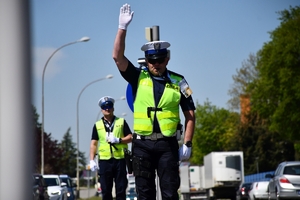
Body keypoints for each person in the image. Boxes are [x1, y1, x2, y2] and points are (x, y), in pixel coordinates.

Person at [112, 4, 196, 200]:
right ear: (146, 61)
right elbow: (117, 57)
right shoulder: (137, 77)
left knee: (169, 193)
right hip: (142, 145)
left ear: (167, 58)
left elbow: (190, 114)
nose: (155, 65)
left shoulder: (179, 81)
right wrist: (122, 28)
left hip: (168, 145)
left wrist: (188, 143)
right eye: (151, 61)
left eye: (159, 60)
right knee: (145, 194)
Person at [89, 96, 133, 200]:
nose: (107, 109)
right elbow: (93, 144)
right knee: (106, 190)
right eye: (104, 107)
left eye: (109, 106)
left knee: (121, 189)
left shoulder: (121, 122)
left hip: (120, 160)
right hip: (105, 161)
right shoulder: (97, 125)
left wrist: (119, 140)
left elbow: (130, 137)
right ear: (101, 110)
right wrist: (91, 160)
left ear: (113, 108)